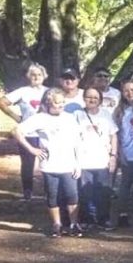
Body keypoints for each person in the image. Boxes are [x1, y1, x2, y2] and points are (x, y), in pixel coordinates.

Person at [13, 88, 83, 237]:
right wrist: (32, 149)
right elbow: (16, 131)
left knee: (72, 195)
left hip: (68, 164)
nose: (61, 105)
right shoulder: (39, 118)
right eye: (57, 102)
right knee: (52, 196)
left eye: (63, 102)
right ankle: (56, 224)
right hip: (49, 165)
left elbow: (76, 142)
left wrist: (78, 163)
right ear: (48, 102)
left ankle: (73, 224)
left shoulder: (70, 117)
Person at [0, 63, 49, 200]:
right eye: (33, 75)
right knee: (27, 163)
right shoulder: (23, 91)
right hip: (27, 134)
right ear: (28, 77)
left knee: (49, 163)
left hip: (47, 134)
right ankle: (27, 192)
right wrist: (16, 117)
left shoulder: (49, 91)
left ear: (44, 76)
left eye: (39, 74)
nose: (36, 77)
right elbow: (1, 102)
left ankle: (50, 192)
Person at [73, 88, 119, 230]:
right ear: (84, 98)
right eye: (89, 97)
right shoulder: (77, 114)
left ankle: (103, 219)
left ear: (100, 100)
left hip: (102, 160)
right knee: (85, 192)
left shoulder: (105, 114)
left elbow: (113, 135)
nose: (92, 100)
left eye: (95, 97)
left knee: (103, 191)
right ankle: (86, 219)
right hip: (83, 160)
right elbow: (72, 137)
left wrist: (113, 156)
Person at [112, 80, 133, 227]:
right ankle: (123, 214)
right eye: (126, 90)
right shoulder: (119, 110)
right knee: (126, 184)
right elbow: (116, 134)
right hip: (129, 153)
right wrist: (120, 153)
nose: (130, 93)